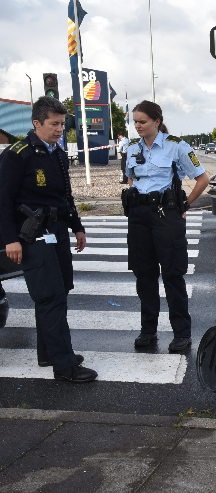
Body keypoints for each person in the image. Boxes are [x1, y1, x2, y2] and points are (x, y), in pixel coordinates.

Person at [0, 96, 96, 383]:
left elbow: (65, 196)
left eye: (62, 124)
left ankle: (48, 352)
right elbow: (2, 200)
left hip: (56, 232)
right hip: (30, 235)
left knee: (61, 288)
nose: (59, 129)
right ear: (36, 123)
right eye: (54, 124)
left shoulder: (56, 152)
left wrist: (77, 227)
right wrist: (9, 240)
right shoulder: (18, 155)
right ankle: (64, 365)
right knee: (49, 296)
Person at [123, 100, 210, 353]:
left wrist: (186, 205)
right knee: (144, 276)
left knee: (172, 275)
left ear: (157, 121)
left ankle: (181, 334)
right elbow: (131, 179)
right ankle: (148, 332)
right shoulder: (131, 149)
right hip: (139, 217)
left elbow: (202, 179)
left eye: (142, 121)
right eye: (135, 122)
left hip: (166, 216)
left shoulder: (177, 147)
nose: (137, 126)